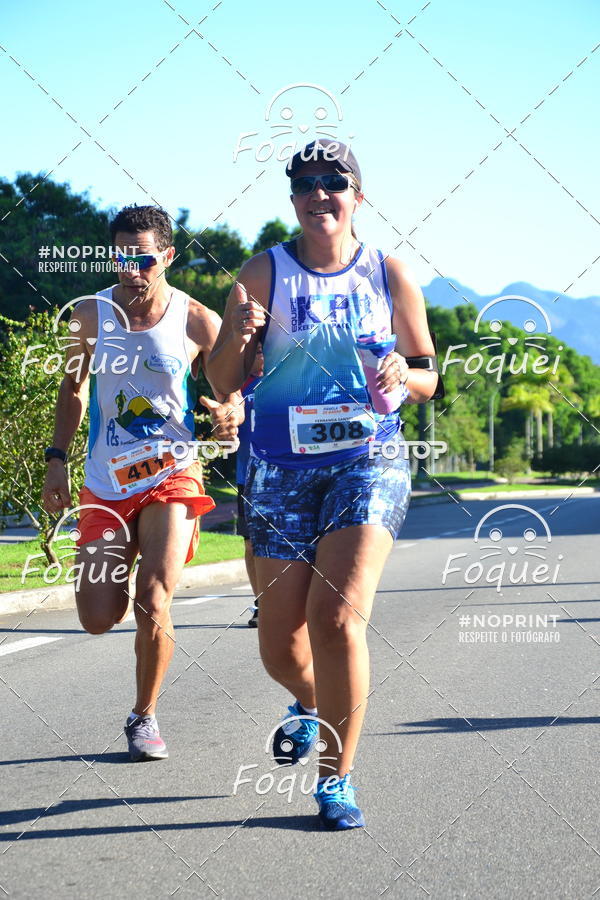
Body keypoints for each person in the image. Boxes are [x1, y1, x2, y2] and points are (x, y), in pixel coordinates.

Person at [208, 140, 442, 829]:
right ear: (292, 200)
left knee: (336, 618)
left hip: (365, 459)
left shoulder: (388, 273)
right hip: (278, 467)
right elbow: (222, 381)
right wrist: (241, 336)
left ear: (357, 197)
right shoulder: (264, 271)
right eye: (304, 184)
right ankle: (308, 703)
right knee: (281, 643)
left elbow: (429, 373)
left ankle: (336, 779)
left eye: (333, 183)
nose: (319, 194)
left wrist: (404, 372)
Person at [42, 204, 242, 762]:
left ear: (168, 257)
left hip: (172, 474)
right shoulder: (89, 314)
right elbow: (72, 391)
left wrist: (231, 410)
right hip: (106, 481)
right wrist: (57, 460)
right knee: (98, 617)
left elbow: (235, 382)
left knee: (154, 597)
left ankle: (144, 716)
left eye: (144, 257)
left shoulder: (196, 318)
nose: (132, 268)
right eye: (122, 256)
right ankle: (119, 584)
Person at [234, 344, 264, 627]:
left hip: (288, 473)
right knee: (251, 544)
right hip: (249, 477)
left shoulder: (290, 378)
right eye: (256, 351)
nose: (262, 357)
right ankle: (262, 604)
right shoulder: (237, 387)